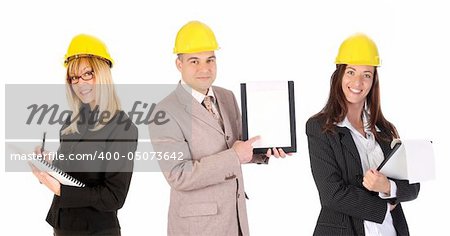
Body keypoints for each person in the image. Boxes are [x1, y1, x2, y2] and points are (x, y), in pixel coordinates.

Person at [149, 21, 290, 236]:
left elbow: (240, 147)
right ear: (179, 64)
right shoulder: (165, 111)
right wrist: (234, 156)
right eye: (194, 61)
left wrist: (266, 149)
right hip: (197, 227)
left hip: (235, 219)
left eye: (210, 60)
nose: (204, 68)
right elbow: (179, 175)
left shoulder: (227, 97)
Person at [306, 33, 420, 236]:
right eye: (351, 72)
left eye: (366, 74)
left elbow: (412, 187)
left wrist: (387, 186)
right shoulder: (320, 128)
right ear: (339, 75)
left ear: (373, 80)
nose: (357, 82)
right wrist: (384, 206)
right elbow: (331, 194)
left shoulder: (385, 130)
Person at [30, 34, 138, 236]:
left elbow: (115, 197)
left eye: (87, 74)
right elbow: (67, 173)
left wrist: (61, 190)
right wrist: (48, 165)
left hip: (96, 230)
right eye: (74, 77)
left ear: (103, 73)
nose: (80, 83)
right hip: (61, 226)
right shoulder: (70, 124)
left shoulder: (122, 127)